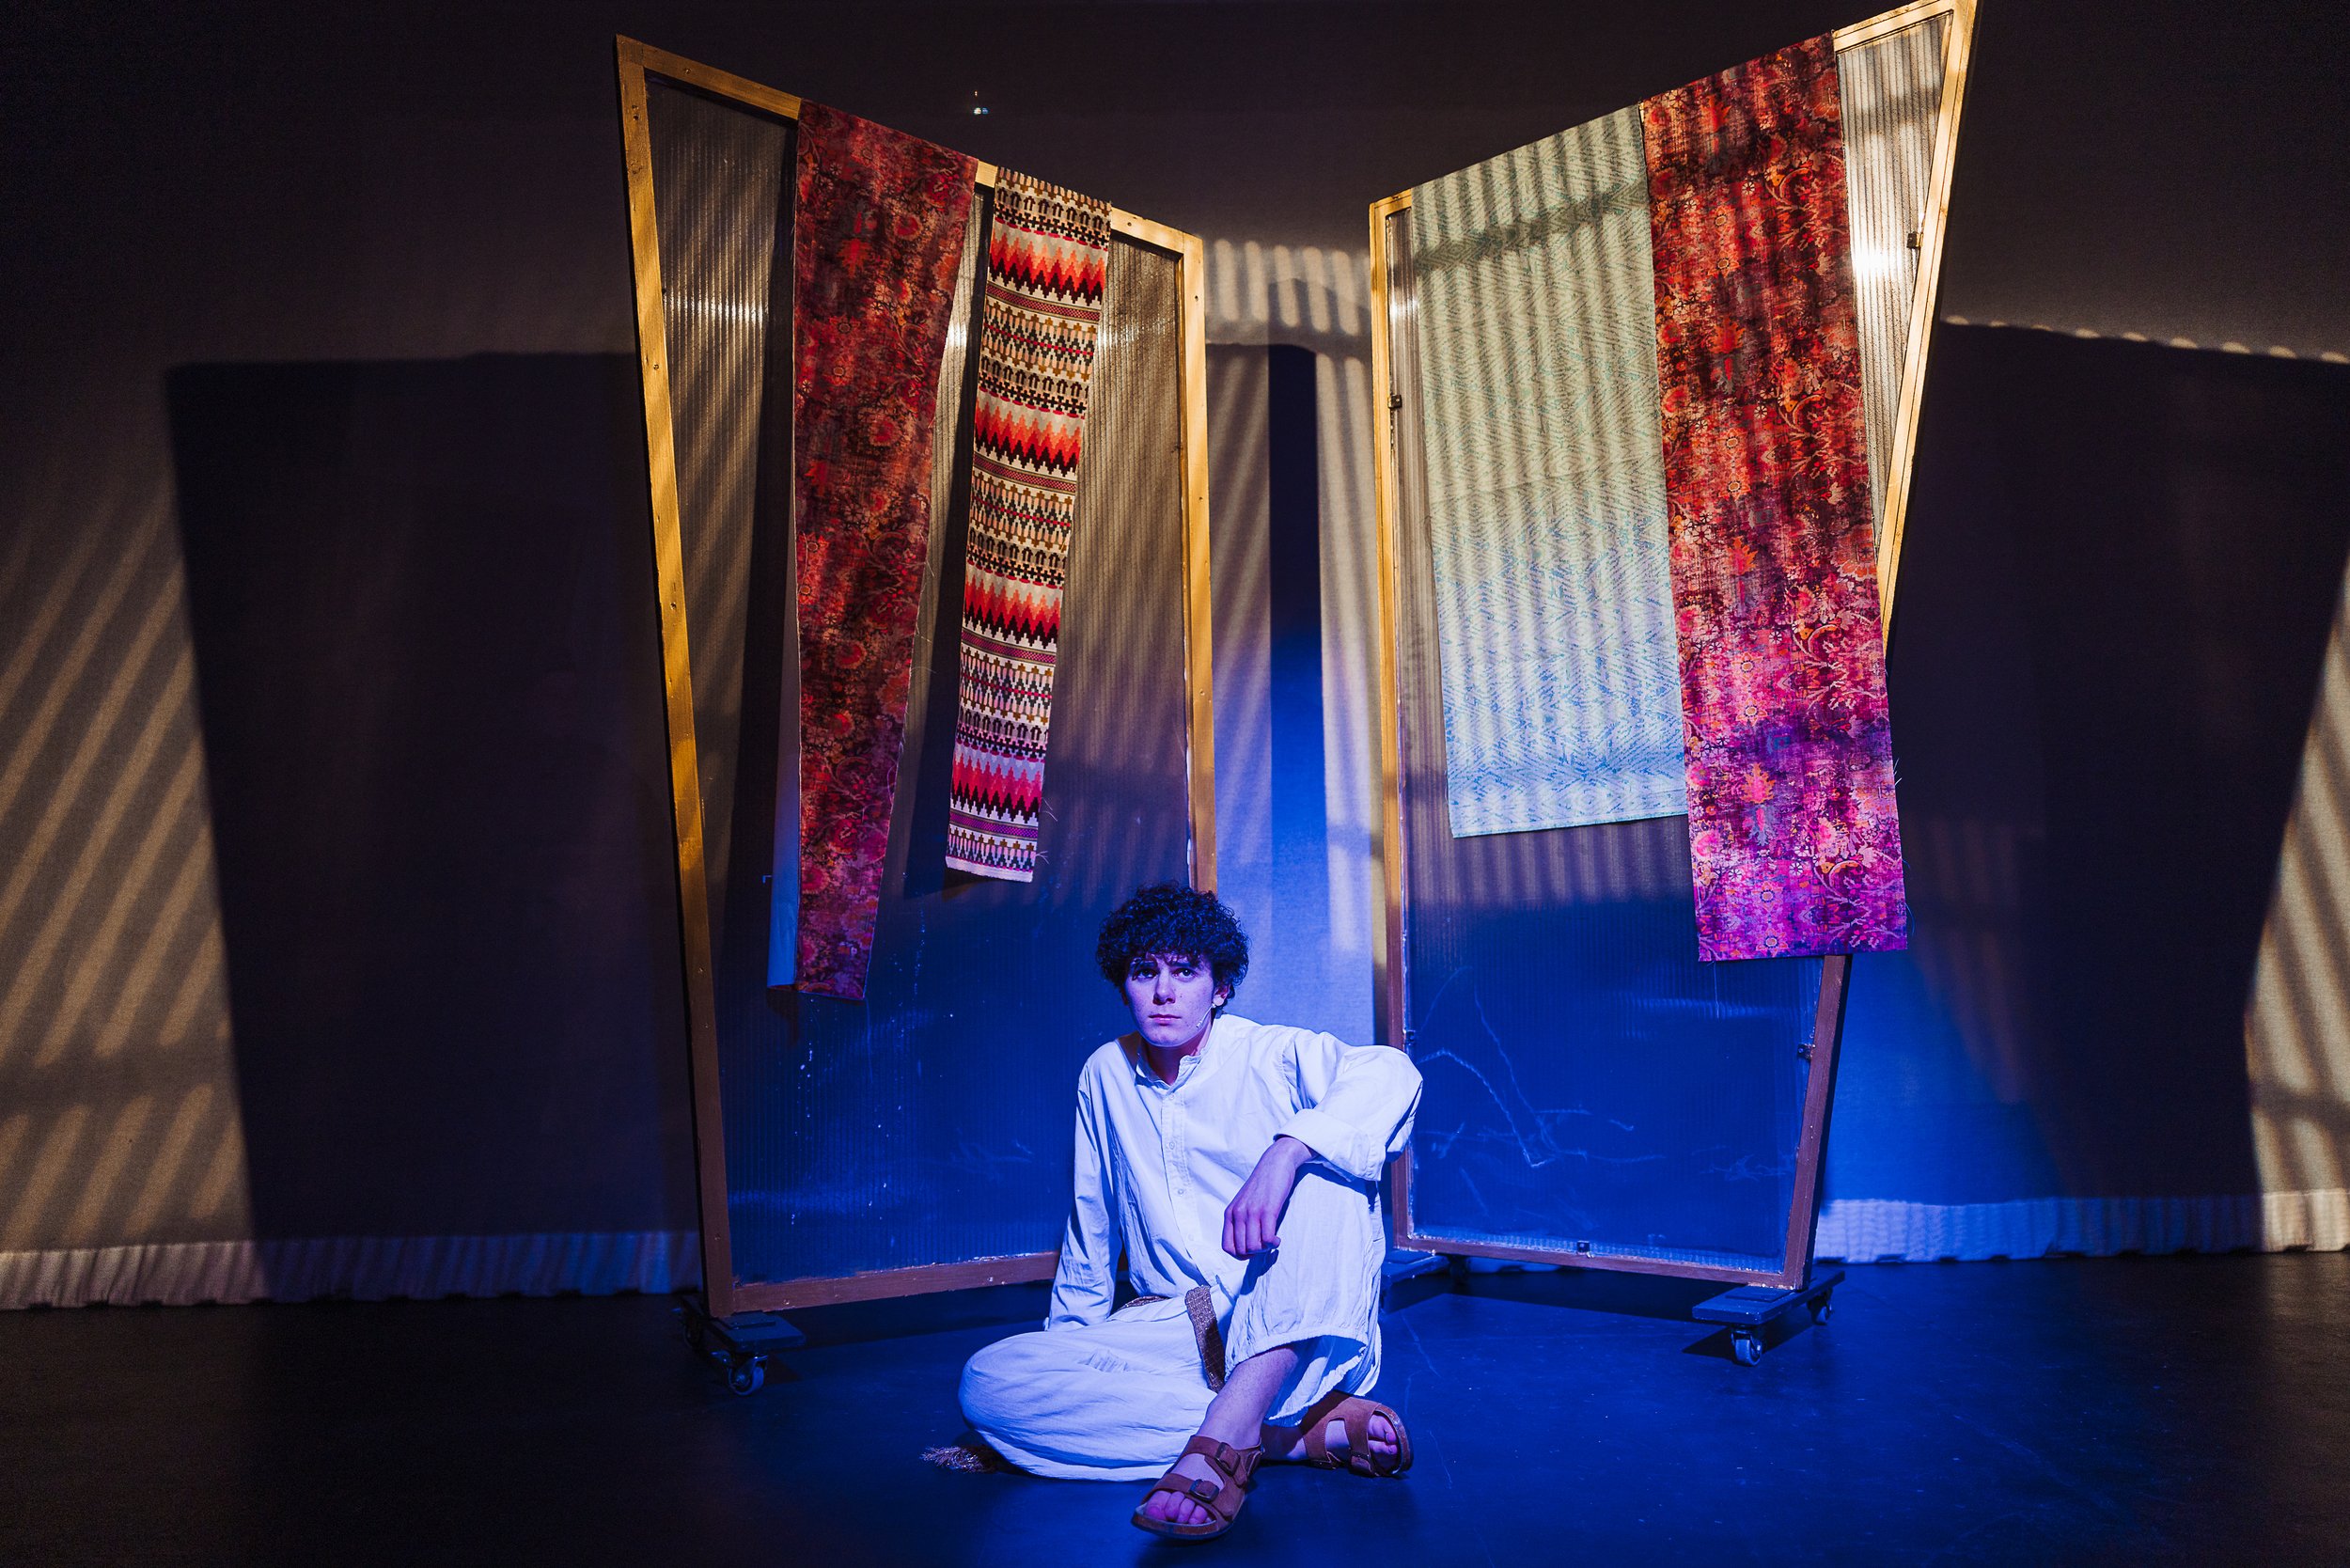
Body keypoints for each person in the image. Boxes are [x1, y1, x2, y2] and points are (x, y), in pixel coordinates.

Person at [957, 883, 1424, 1541]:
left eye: (1184, 971)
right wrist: (1070, 1351)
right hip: (1169, 1330)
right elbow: (1091, 1228)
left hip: (1282, 1322)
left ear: (1220, 987)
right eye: (1144, 971)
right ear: (1123, 985)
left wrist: (1287, 1151)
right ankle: (1281, 1435)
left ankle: (1225, 1442)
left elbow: (1392, 1073)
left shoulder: (1269, 1053)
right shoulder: (1104, 1073)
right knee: (987, 1382)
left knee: (1328, 1171)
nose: (1163, 992)